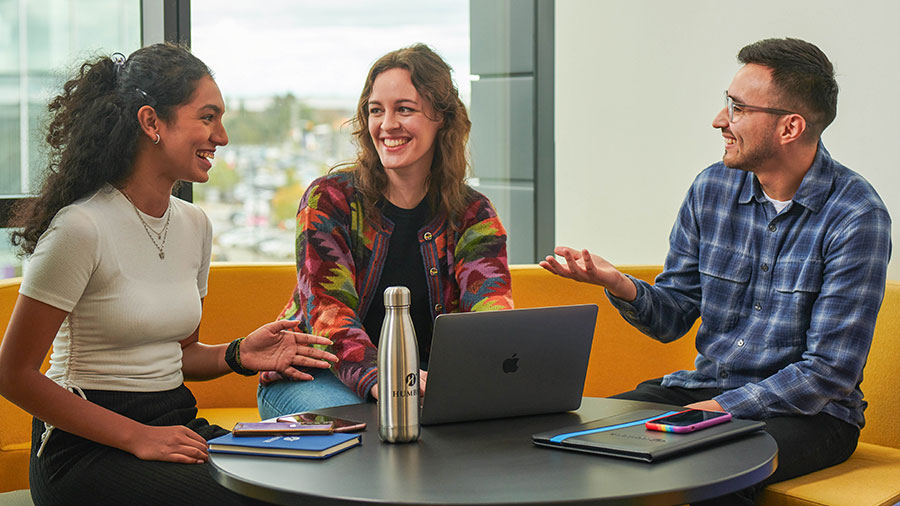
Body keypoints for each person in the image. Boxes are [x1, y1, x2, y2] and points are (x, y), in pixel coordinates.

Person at [541, 38, 890, 504]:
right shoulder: (711, 188)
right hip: (704, 390)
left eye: (738, 108)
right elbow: (673, 319)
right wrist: (620, 285)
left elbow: (829, 373)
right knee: (571, 440)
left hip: (812, 416)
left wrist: (720, 410)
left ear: (790, 127)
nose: (719, 120)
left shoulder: (856, 216)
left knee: (711, 469)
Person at [0, 43, 338, 506]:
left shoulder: (194, 225)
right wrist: (137, 437)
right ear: (151, 122)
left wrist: (240, 353)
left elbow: (181, 356)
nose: (221, 136)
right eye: (207, 117)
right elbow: (13, 374)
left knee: (312, 481)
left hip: (175, 425)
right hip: (85, 448)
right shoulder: (81, 227)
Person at [257, 43, 513, 419]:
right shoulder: (329, 199)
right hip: (314, 378)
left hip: (420, 386)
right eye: (376, 110)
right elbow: (330, 314)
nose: (387, 124)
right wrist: (387, 381)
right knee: (378, 427)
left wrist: (475, 377)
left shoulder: (473, 213)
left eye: (404, 109)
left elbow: (490, 313)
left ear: (441, 117)